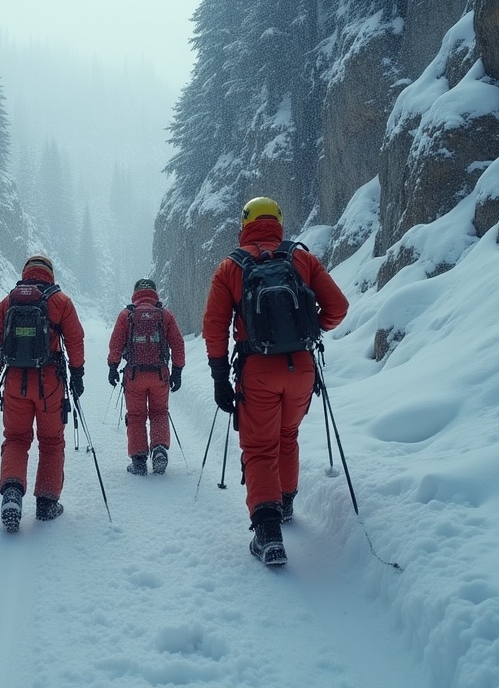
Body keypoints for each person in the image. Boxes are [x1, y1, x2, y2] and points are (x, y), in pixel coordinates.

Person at [202, 197, 348, 566]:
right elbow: (338, 307)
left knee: (259, 447)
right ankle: (285, 504)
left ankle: (267, 533)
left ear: (245, 222)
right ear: (278, 221)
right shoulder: (301, 258)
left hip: (257, 370)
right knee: (287, 436)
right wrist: (310, 332)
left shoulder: (231, 267)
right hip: (300, 368)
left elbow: (215, 327)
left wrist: (220, 377)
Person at [0, 254, 86, 531]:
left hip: (15, 382)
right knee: (51, 442)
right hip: (50, 383)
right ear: (49, 274)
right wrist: (77, 375)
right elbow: (75, 339)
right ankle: (47, 502)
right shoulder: (61, 301)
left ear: (26, 272)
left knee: (16, 438)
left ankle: (12, 493)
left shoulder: (9, 301)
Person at [107, 278, 186, 475]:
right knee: (159, 411)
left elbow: (115, 344)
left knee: (136, 416)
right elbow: (178, 344)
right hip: (159, 375)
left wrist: (112, 367)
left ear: (135, 293)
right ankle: (159, 449)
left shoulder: (127, 314)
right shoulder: (164, 315)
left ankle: (139, 459)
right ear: (154, 292)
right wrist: (177, 370)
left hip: (134, 376)